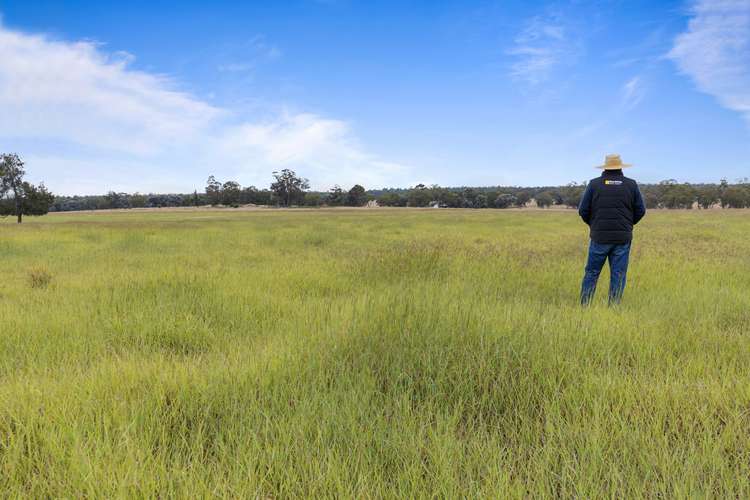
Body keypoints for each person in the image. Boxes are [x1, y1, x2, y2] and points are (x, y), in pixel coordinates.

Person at [578, 154, 646, 305]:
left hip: (599, 238)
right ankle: (614, 307)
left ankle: (584, 306)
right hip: (622, 239)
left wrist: (594, 225)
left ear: (605, 167)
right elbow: (641, 210)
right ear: (621, 167)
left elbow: (583, 210)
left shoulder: (594, 184)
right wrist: (627, 225)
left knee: (592, 272)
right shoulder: (631, 185)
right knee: (619, 274)